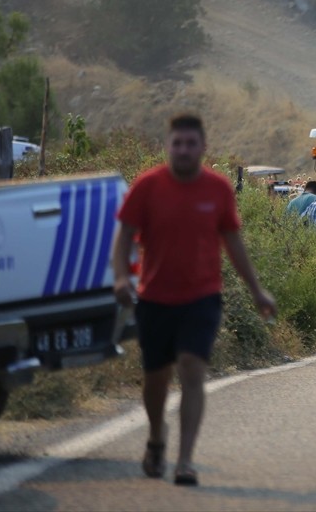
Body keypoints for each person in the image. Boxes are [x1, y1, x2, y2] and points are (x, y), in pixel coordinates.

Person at [111, 113, 276, 487]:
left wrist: (257, 290)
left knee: (192, 368)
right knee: (155, 379)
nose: (183, 150)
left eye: (190, 143)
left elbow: (233, 242)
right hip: (153, 298)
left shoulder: (217, 189)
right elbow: (123, 237)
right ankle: (156, 437)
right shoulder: (148, 186)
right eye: (177, 143)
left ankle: (185, 460)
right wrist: (121, 277)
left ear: (203, 147)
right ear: (167, 146)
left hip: (202, 297)